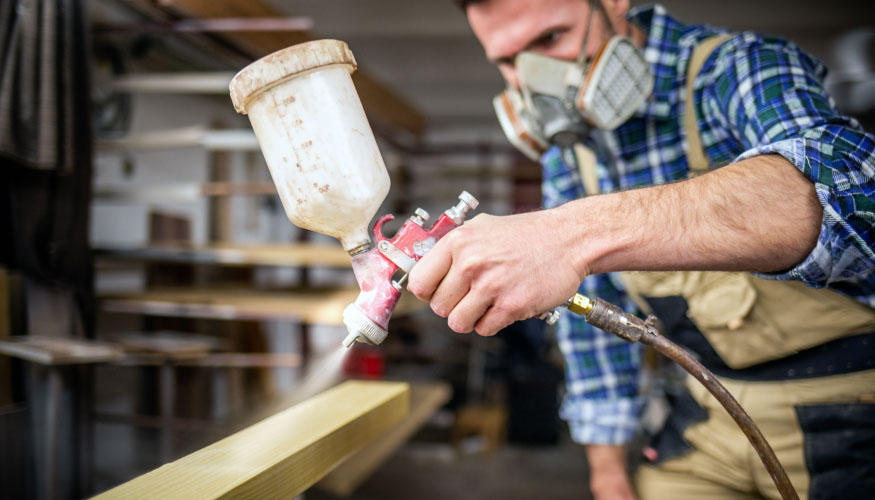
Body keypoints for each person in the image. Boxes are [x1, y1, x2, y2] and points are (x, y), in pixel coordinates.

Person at [407, 1, 875, 499]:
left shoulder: (737, 67)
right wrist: (607, 472)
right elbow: (592, 327)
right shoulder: (572, 158)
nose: (534, 78)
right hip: (706, 413)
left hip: (852, 407)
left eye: (550, 40)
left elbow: (856, 187)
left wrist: (571, 234)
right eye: (507, 60)